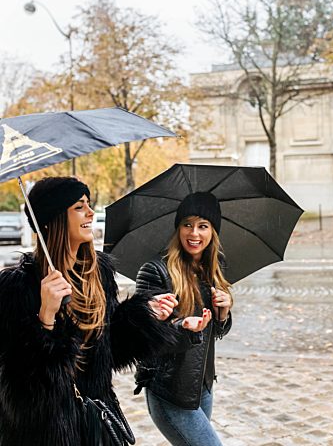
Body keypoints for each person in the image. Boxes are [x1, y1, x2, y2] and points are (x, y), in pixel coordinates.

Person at [0, 176, 178, 446]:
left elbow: (108, 353)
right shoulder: (17, 287)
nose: (91, 212)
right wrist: (45, 319)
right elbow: (17, 390)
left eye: (89, 203)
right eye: (79, 206)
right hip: (45, 431)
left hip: (95, 422)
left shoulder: (99, 273)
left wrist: (145, 317)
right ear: (53, 218)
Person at [134, 191, 233, 446]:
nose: (194, 233)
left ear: (213, 231)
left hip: (202, 385)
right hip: (171, 392)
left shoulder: (214, 269)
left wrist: (223, 313)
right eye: (187, 224)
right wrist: (182, 326)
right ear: (178, 228)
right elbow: (143, 335)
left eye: (203, 226)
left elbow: (215, 332)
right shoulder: (155, 270)